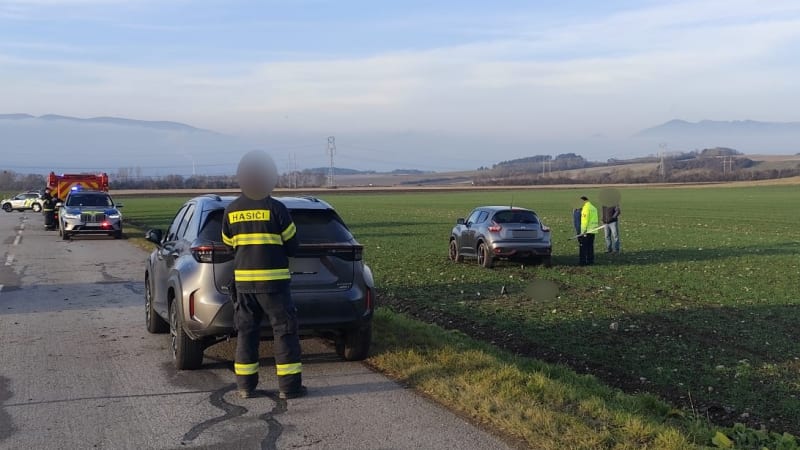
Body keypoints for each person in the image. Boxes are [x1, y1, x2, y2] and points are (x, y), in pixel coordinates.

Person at [222, 150, 306, 400]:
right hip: (275, 286)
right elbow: (293, 245)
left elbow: (228, 245)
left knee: (247, 334)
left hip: (245, 286)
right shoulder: (276, 209)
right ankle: (289, 388)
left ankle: (245, 387)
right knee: (284, 332)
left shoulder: (232, 210)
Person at [578, 196, 599, 266]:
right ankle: (591, 261)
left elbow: (585, 221)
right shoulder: (593, 208)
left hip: (586, 231)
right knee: (590, 246)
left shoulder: (585, 208)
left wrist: (583, 231)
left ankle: (583, 262)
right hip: (593, 230)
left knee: (583, 246)